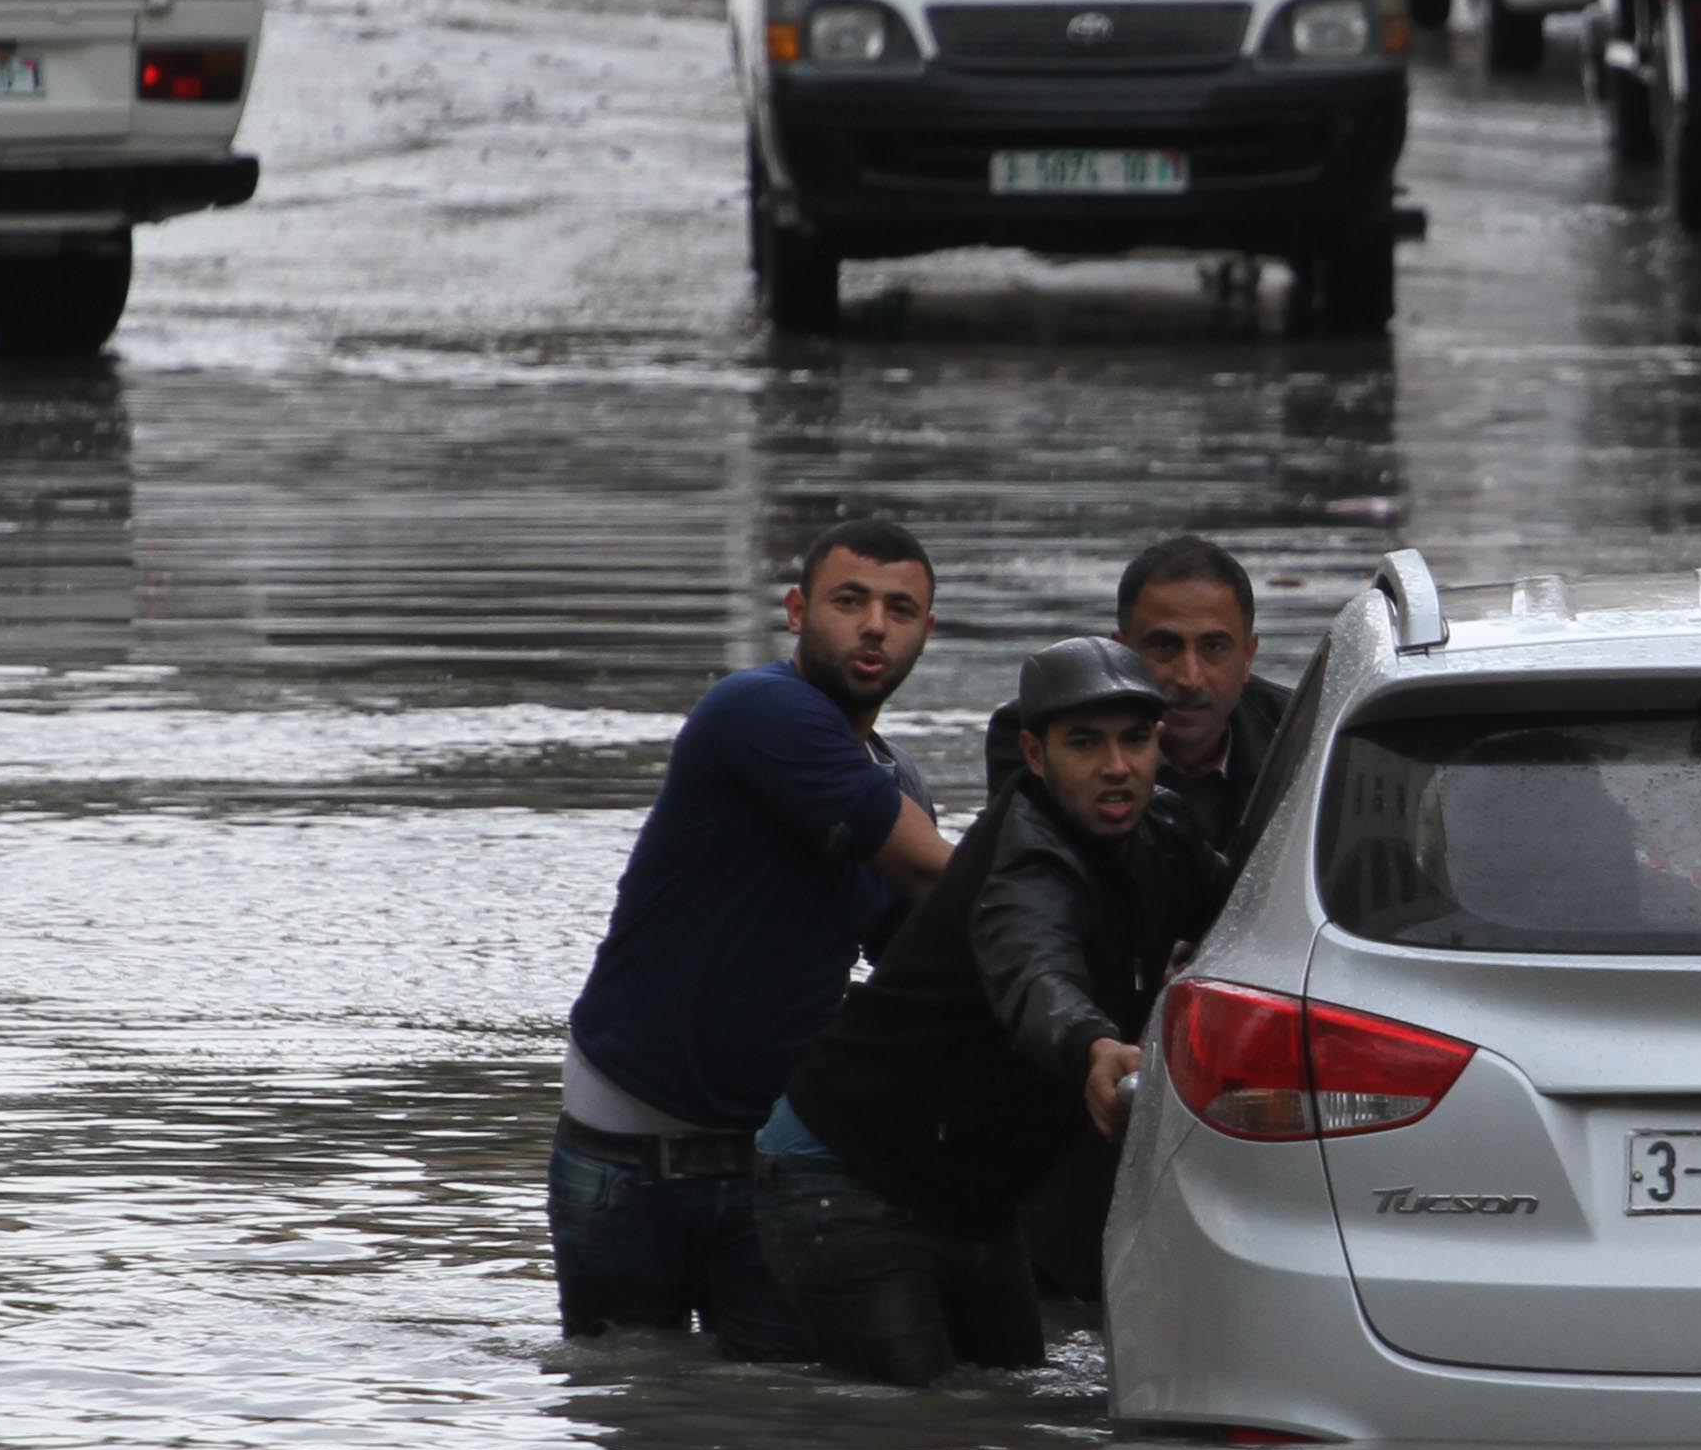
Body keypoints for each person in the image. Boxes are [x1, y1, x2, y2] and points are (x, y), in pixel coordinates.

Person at [760, 639, 1232, 1388]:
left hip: (974, 1200)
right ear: (1034, 755)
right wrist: (1093, 1048)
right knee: (913, 1438)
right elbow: (1034, 975)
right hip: (845, 1180)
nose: (1117, 767)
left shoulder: (1164, 832)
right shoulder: (1024, 864)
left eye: (1135, 740)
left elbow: (1248, 912)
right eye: (1086, 743)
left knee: (1008, 1415)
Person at [551, 519, 952, 1352]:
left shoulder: (895, 782)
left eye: (900, 608)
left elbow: (919, 957)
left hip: (773, 1169)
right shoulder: (758, 707)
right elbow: (940, 882)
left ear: (926, 632)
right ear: (797, 610)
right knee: (630, 1421)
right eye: (850, 601)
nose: (874, 625)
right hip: (630, 1157)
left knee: (768, 1431)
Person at [976, 533, 1294, 844]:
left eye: (1213, 647)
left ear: (1248, 656)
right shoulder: (1046, 730)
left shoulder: (1303, 734)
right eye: (1164, 646)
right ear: (1122, 654)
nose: (1190, 678)